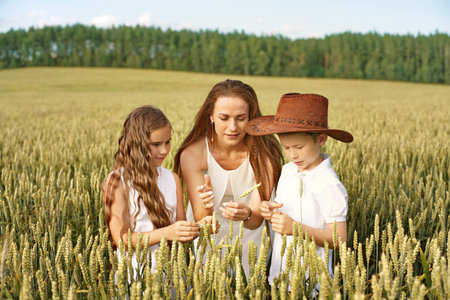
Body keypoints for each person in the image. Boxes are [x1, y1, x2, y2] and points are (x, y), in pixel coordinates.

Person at [173, 79, 284, 276]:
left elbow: (257, 219)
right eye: (224, 118)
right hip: (210, 241)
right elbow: (203, 220)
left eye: (241, 118)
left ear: (251, 116)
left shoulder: (265, 152)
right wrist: (206, 205)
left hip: (254, 241)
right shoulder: (193, 154)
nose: (232, 127)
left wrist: (247, 214)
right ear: (211, 116)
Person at [245, 93, 353, 285]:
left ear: (321, 139)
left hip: (311, 283)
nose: (292, 154)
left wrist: (296, 229)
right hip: (279, 275)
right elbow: (287, 210)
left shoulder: (329, 184)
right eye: (286, 147)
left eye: (299, 147)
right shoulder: (287, 170)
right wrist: (270, 210)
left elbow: (339, 239)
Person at [102, 105, 211, 273]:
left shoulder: (172, 179)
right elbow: (121, 240)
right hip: (134, 276)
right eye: (156, 144)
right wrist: (166, 233)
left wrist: (200, 227)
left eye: (168, 142)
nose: (164, 150)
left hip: (171, 275)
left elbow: (179, 231)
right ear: (137, 144)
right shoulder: (118, 181)